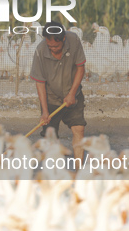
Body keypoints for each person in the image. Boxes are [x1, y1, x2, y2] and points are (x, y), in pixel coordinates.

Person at [29, 21, 87, 160]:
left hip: (73, 94)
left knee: (79, 129)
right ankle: (52, 173)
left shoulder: (73, 40)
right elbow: (40, 82)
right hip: (51, 98)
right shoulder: (40, 50)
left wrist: (72, 93)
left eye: (56, 46)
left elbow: (81, 67)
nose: (53, 49)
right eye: (50, 46)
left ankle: (79, 172)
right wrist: (44, 111)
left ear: (64, 39)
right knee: (50, 136)